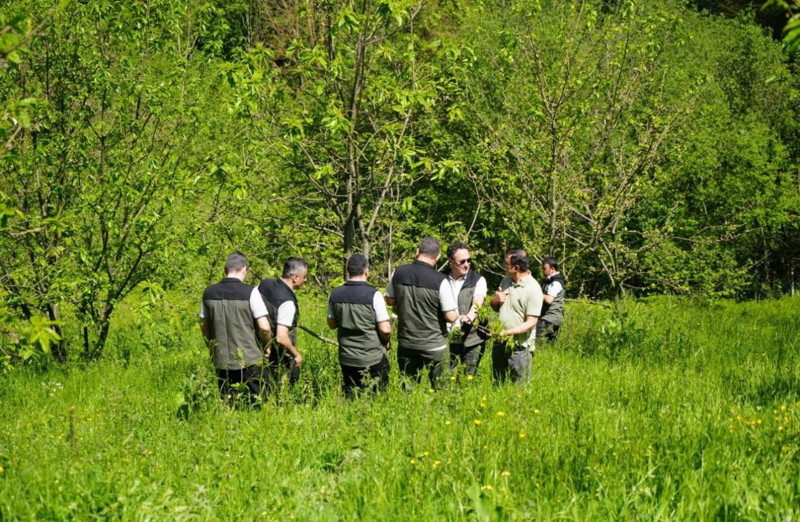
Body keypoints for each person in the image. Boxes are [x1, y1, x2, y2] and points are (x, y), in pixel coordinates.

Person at [385, 236, 459, 389]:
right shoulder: (440, 280)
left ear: (417, 251)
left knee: (408, 387)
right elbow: (451, 317)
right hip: (434, 345)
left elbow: (390, 300)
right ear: (437, 257)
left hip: (406, 342)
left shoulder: (398, 272)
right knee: (440, 389)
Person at [199, 251, 272, 404]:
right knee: (260, 404)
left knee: (228, 405)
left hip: (222, 360)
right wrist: (266, 346)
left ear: (225, 270)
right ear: (244, 268)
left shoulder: (208, 293)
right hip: (250, 360)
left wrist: (211, 347)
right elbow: (265, 328)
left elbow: (203, 324)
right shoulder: (251, 292)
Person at [327, 254, 392, 399]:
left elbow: (331, 324)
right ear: (366, 271)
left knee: (351, 396)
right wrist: (387, 339)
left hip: (347, 357)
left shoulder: (335, 294)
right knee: (377, 398)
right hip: (372, 357)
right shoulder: (373, 295)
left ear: (348, 270)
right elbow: (385, 329)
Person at [490, 248, 543, 383]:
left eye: (505, 264)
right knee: (498, 382)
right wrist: (494, 300)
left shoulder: (533, 289)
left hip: (520, 348)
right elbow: (496, 307)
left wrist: (507, 332)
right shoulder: (506, 281)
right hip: (499, 342)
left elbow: (531, 322)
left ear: (516, 267)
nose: (503, 266)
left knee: (520, 387)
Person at [258, 257, 307, 388]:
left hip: (259, 348)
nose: (305, 280)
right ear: (295, 277)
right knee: (283, 389)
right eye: (304, 276)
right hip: (279, 357)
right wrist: (296, 355)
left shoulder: (265, 284)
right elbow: (281, 337)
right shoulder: (288, 302)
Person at [443, 242, 488, 377]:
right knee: (447, 376)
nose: (466, 264)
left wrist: (469, 316)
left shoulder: (478, 280)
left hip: (472, 339)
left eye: (469, 260)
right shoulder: (440, 279)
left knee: (467, 376)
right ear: (450, 262)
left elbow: (478, 302)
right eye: (462, 261)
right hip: (447, 338)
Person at [537, 257, 565, 342]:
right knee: (548, 344)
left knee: (535, 340)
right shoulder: (549, 281)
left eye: (544, 268)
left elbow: (549, 299)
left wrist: (535, 293)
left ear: (552, 269)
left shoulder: (555, 282)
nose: (543, 271)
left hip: (550, 319)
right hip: (550, 318)